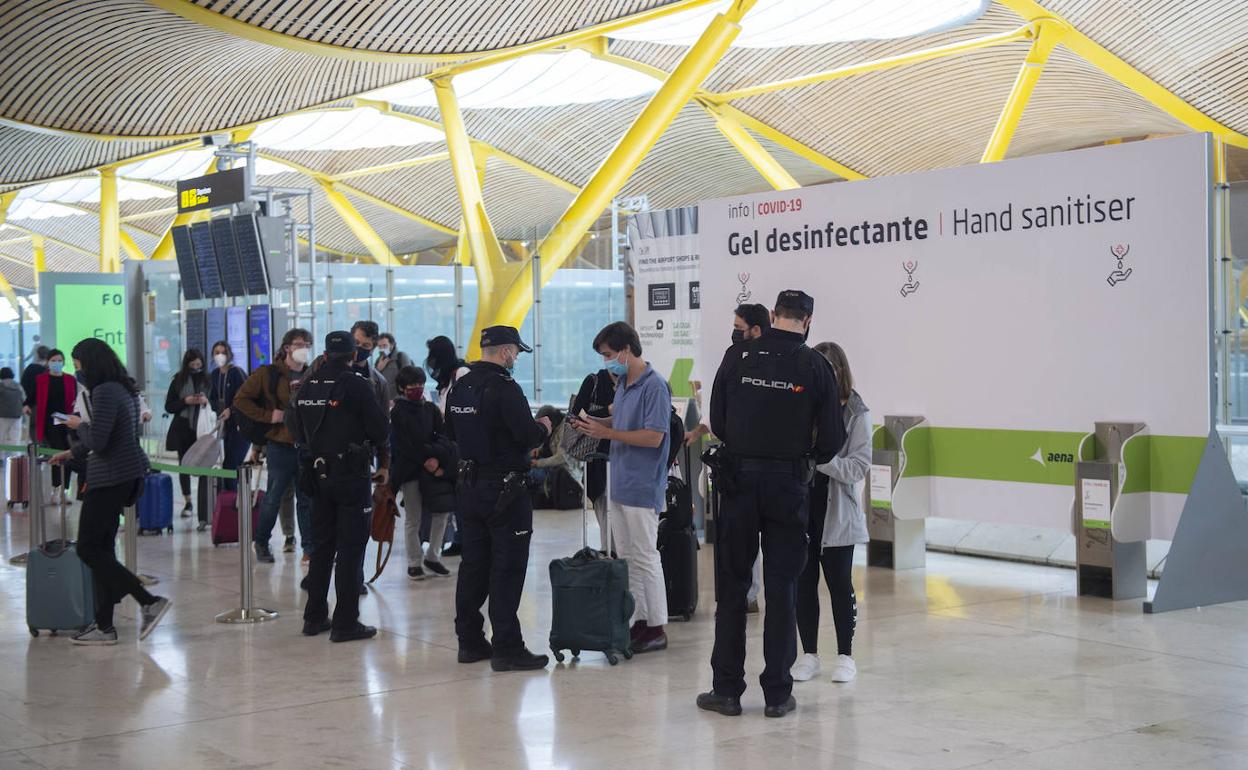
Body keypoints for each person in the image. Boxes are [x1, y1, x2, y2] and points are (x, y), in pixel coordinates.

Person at [697, 290, 845, 720]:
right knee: (782, 589)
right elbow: (832, 441)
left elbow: (719, 422)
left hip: (739, 482)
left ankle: (726, 690)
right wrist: (802, 458)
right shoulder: (816, 367)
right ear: (808, 321)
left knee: (733, 588)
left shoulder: (738, 356)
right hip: (788, 486)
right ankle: (778, 695)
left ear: (775, 315)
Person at [445, 325, 552, 672]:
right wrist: (545, 427)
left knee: (473, 565)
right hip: (506, 490)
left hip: (469, 486)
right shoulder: (505, 388)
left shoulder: (459, 386)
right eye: (516, 352)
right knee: (507, 567)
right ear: (506, 352)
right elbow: (526, 436)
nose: (516, 358)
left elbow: (450, 432)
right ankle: (507, 647)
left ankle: (470, 641)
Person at [52, 338, 170, 645]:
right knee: (101, 551)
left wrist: (78, 424)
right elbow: (112, 436)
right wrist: (71, 453)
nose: (77, 372)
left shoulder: (104, 391)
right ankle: (104, 626)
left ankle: (148, 601)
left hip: (110, 478)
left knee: (88, 549)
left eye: (78, 367)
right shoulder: (124, 389)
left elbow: (99, 441)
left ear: (91, 364)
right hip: (125, 474)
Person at [573, 322, 672, 654]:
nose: (606, 362)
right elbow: (624, 421)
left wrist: (608, 435)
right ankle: (639, 621)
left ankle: (657, 626)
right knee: (627, 556)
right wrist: (596, 423)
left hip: (642, 484)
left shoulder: (655, 386)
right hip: (620, 482)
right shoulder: (624, 385)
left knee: (645, 556)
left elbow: (653, 435)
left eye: (609, 355)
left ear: (627, 350)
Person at [289, 331, 390, 642]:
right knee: (350, 549)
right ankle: (346, 621)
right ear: (352, 355)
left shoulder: (308, 384)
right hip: (350, 475)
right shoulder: (356, 384)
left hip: (316, 473)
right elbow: (380, 428)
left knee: (321, 548)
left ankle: (314, 616)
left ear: (324, 353)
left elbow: (293, 425)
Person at [685, 303, 771, 614]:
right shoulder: (737, 359)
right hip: (742, 464)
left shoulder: (759, 362)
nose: (735, 333)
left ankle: (753, 593)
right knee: (742, 536)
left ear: (757, 329)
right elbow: (721, 410)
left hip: (760, 465)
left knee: (759, 536)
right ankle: (747, 593)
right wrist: (699, 431)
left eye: (739, 327)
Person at [793, 342, 870, 685]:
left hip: (837, 514)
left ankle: (845, 656)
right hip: (802, 510)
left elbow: (858, 466)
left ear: (838, 371)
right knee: (803, 584)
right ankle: (808, 655)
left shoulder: (856, 411)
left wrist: (824, 461)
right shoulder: (801, 405)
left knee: (839, 584)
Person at [233, 328, 314, 564]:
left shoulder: (312, 374)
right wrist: (269, 416)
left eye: (307, 344)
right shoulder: (269, 373)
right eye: (299, 344)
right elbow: (241, 400)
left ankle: (309, 547)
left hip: (306, 445)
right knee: (274, 496)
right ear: (287, 347)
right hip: (280, 444)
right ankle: (261, 541)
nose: (303, 349)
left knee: (306, 498)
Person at [389, 366, 453, 580]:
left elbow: (443, 437)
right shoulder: (398, 412)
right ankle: (414, 562)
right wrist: (427, 459)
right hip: (411, 472)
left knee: (441, 514)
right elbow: (405, 446)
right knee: (413, 518)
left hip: (433, 471)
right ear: (401, 388)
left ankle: (433, 556)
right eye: (411, 386)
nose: (417, 389)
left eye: (420, 385)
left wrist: (435, 459)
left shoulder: (431, 410)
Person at [426, 334, 470, 556]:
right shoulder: (447, 380)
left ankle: (465, 539)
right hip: (450, 442)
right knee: (456, 493)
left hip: (461, 444)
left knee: (462, 493)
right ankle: (460, 538)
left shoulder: (460, 374)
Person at [570, 366, 616, 552]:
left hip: (627, 458)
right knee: (606, 514)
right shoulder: (594, 382)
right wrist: (607, 410)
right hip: (598, 459)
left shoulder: (635, 383)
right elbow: (577, 415)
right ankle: (610, 557)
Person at [163, 349, 208, 519]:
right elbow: (169, 406)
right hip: (183, 427)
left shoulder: (207, 379)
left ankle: (205, 506)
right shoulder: (178, 380)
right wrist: (185, 401)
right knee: (184, 465)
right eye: (192, 364)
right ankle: (188, 501)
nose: (196, 367)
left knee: (205, 465)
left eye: (199, 364)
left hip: (203, 427)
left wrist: (205, 401)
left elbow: (217, 402)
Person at [208, 341, 249, 500]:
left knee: (231, 464)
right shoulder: (215, 375)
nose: (219, 356)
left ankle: (233, 500)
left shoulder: (236, 373)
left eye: (222, 352)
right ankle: (234, 500)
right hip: (225, 426)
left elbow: (245, 397)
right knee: (230, 464)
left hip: (240, 425)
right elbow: (213, 398)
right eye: (216, 352)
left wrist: (231, 410)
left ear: (229, 354)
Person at [34, 349, 77, 496]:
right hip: (49, 421)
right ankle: (56, 486)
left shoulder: (70, 379)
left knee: (69, 452)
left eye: (59, 360)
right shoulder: (41, 379)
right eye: (53, 360)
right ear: (48, 362)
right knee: (58, 451)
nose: (56, 363)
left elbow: (75, 399)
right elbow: (33, 397)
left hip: (66, 420)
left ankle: (64, 488)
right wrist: (26, 405)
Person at [350, 321, 391, 410]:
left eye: (366, 345)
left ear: (372, 350)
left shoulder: (380, 383)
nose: (359, 347)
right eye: (356, 343)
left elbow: (383, 419)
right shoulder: (328, 368)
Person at [375, 333, 413, 404]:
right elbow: (375, 382)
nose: (382, 349)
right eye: (380, 346)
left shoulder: (401, 357)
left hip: (400, 401)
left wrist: (398, 399)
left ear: (392, 345)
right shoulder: (378, 360)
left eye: (385, 346)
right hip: (384, 402)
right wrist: (378, 369)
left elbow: (408, 380)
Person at [20, 345, 49, 419]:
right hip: (49, 404)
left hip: (34, 403)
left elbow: (23, 384)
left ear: (37, 355)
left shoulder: (30, 368)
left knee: (35, 427)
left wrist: (29, 396)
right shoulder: (49, 370)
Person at [0, 368, 24, 454]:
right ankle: (16, 456)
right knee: (15, 437)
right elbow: (24, 399)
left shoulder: (1, 385)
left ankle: (1, 458)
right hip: (17, 415)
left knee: (1, 437)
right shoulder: (18, 386)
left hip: (2, 415)